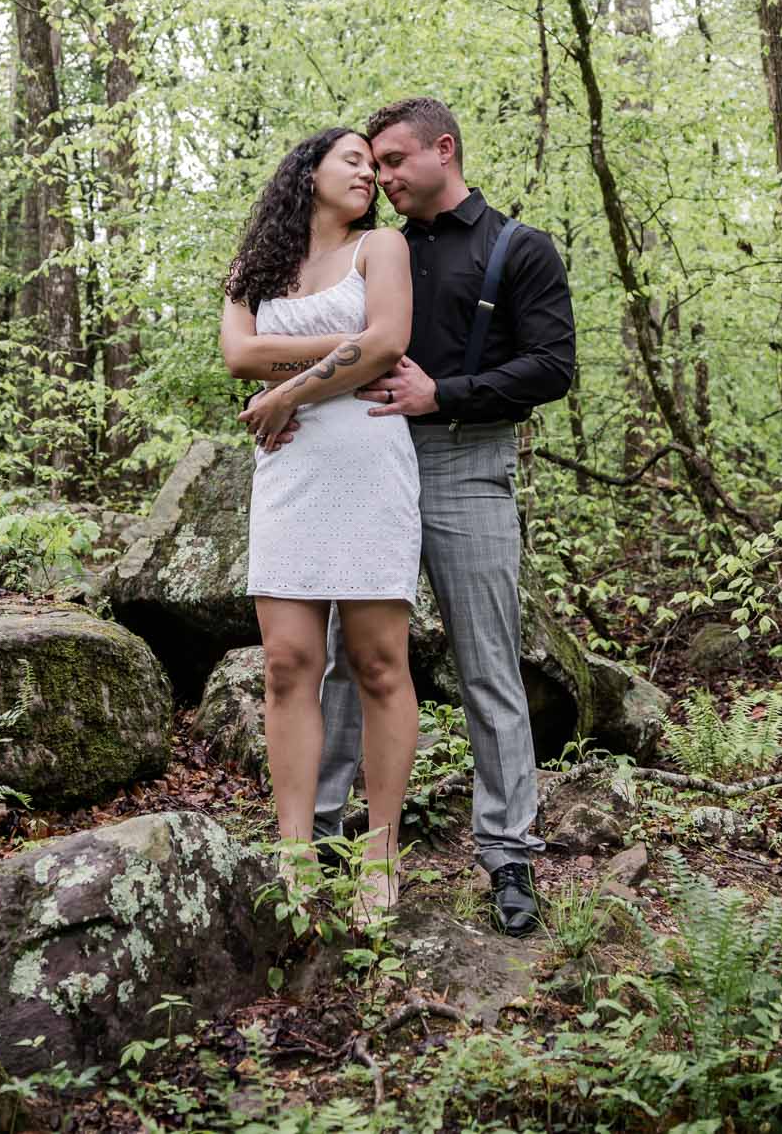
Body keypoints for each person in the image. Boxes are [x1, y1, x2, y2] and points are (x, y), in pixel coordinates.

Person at [308, 96, 576, 936]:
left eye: (393, 160)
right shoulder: (369, 250)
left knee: (487, 663)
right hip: (368, 461)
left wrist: (446, 393)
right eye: (372, 164)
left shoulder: (519, 248)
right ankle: (322, 834)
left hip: (469, 466)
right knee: (349, 657)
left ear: (444, 150)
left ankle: (508, 855)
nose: (380, 176)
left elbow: (553, 365)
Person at [220, 127, 421, 925]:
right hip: (290, 477)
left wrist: (288, 388)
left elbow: (390, 341)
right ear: (308, 172)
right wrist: (343, 351)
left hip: (370, 469)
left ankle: (379, 854)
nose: (371, 174)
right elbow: (238, 357)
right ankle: (296, 854)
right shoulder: (253, 266)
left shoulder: (383, 248)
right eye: (354, 160)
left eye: (376, 165)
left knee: (378, 663)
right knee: (287, 663)